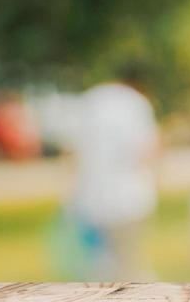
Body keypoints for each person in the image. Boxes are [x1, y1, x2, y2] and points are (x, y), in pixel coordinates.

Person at [68, 62, 160, 280]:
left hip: (89, 200)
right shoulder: (135, 103)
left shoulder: (90, 100)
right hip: (129, 199)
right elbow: (145, 151)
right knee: (130, 265)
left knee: (99, 265)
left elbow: (72, 152)